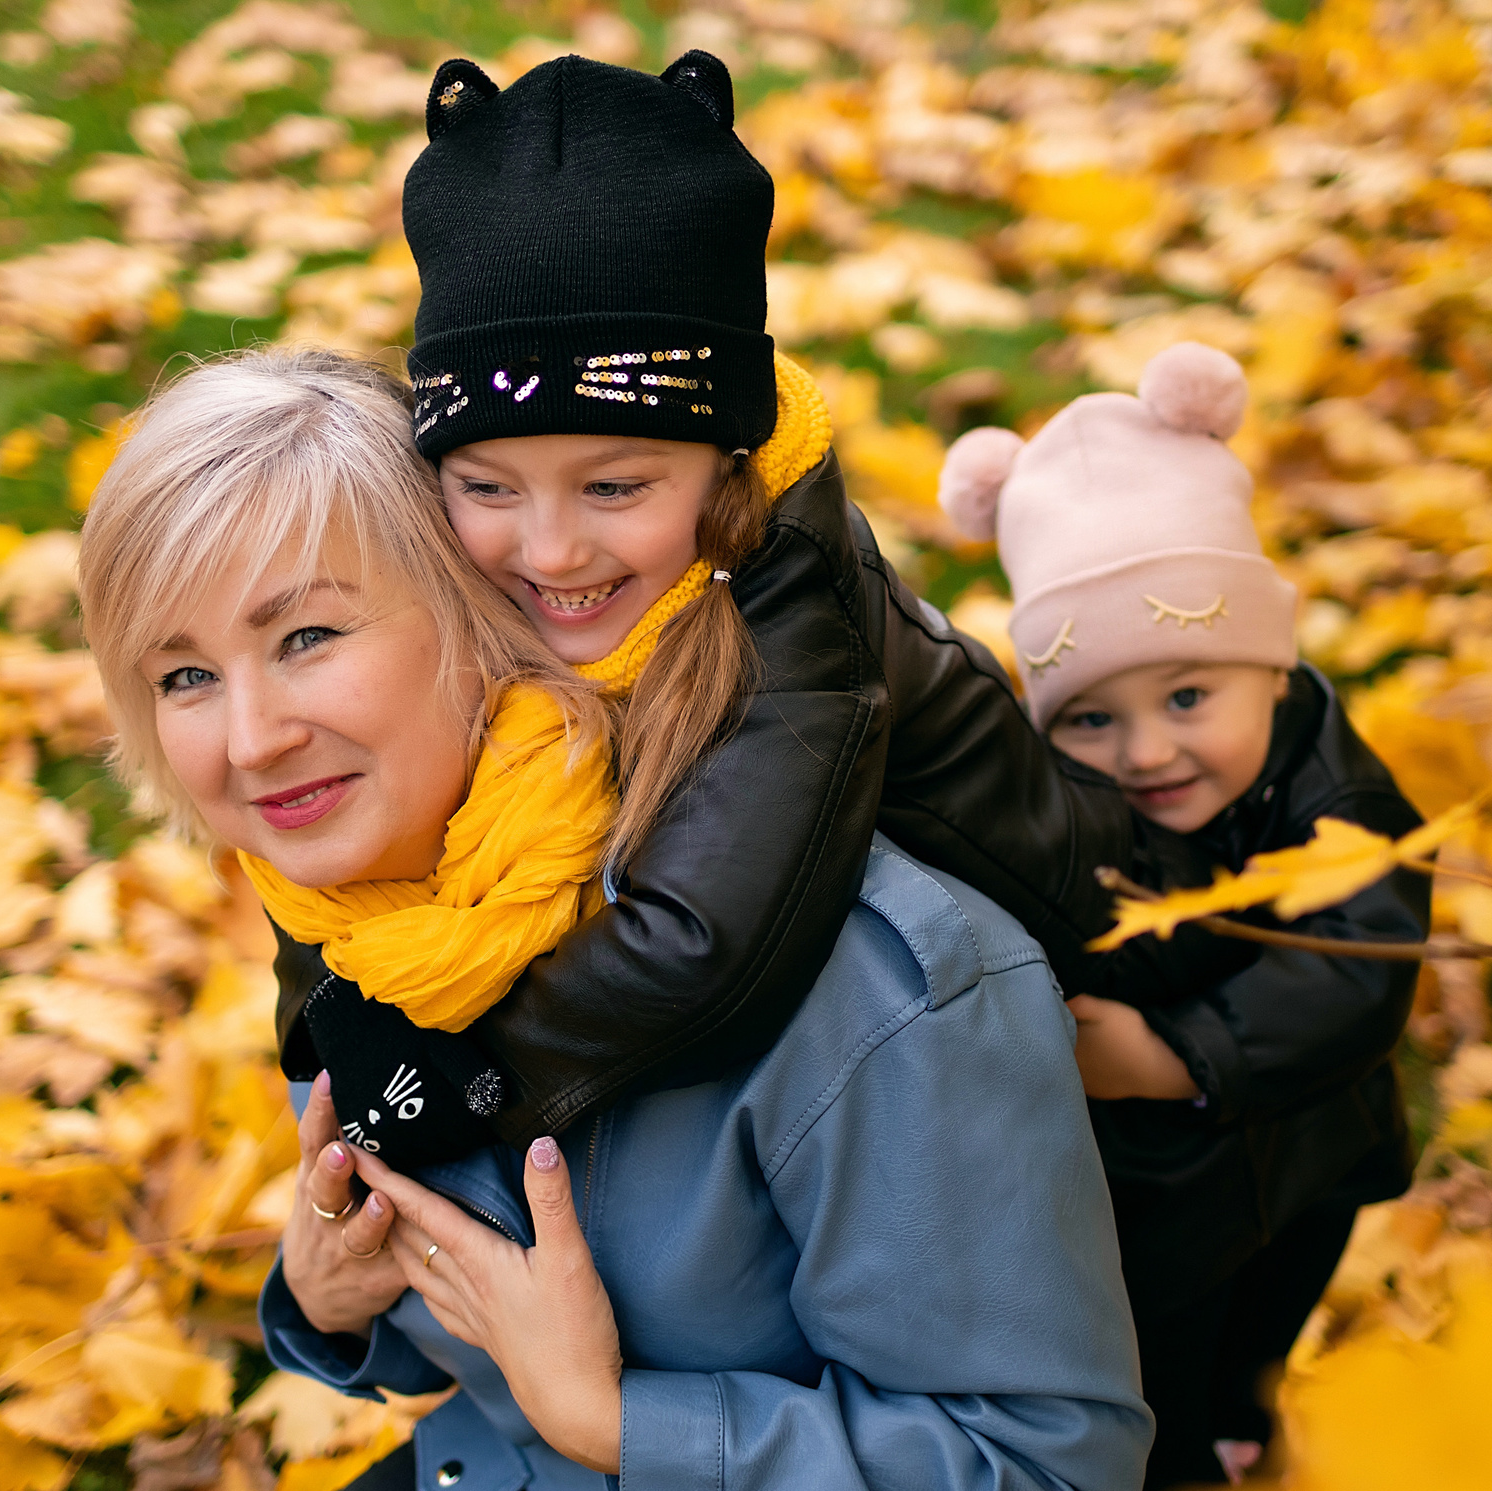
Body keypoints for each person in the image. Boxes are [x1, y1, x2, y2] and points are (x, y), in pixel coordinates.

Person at [76, 348, 1151, 1491]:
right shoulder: (374, 912)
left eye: (306, 637)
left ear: (475, 612)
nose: (249, 738)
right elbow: (512, 1296)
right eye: (180, 675)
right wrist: (337, 1297)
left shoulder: (876, 976)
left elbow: (1047, 1489)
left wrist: (618, 1421)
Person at [267, 47, 1229, 1145]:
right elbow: (344, 797)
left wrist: (455, 1083)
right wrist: (330, 1009)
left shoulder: (795, 613)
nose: (551, 549)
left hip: (1128, 983)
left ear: (729, 462)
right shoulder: (475, 568)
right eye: (488, 485)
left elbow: (707, 953)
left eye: (616, 485)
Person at [939, 341, 1433, 1491]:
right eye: (1092, 718)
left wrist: (1173, 1058)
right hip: (1173, 1183)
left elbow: (1353, 979)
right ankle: (1162, 1461)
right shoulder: (1092, 811)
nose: (1148, 751)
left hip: (1302, 1142)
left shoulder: (1338, 802)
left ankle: (1241, 1428)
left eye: (1188, 698)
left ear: (1271, 666)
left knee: (1271, 1296)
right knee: (1160, 1319)